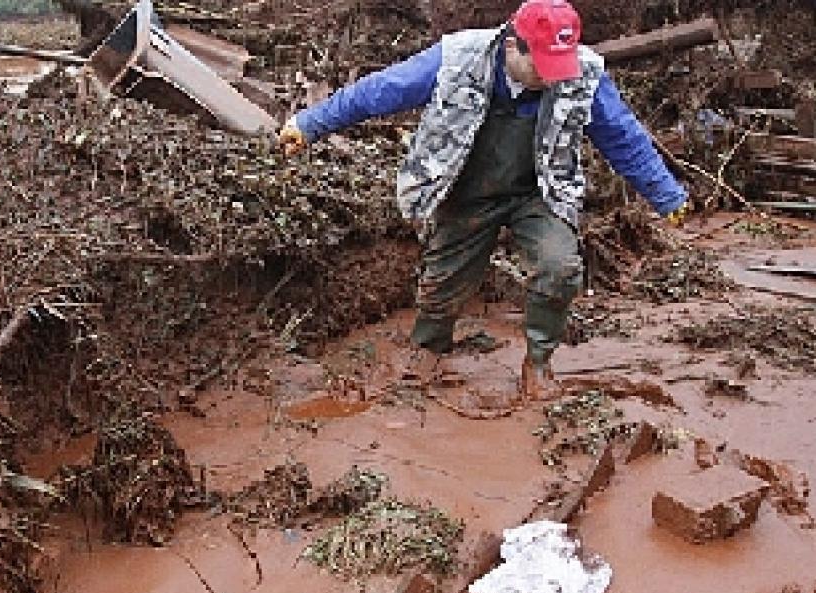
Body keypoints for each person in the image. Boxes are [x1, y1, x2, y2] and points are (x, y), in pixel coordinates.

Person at [278, 0, 689, 400]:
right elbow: (379, 91)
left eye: (557, 68)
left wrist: (666, 195)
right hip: (466, 188)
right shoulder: (458, 58)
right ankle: (428, 348)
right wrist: (310, 124)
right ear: (513, 44)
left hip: (539, 191)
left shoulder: (584, 73)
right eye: (541, 67)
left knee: (560, 268)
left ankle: (539, 363)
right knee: (444, 279)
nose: (551, 79)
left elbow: (623, 137)